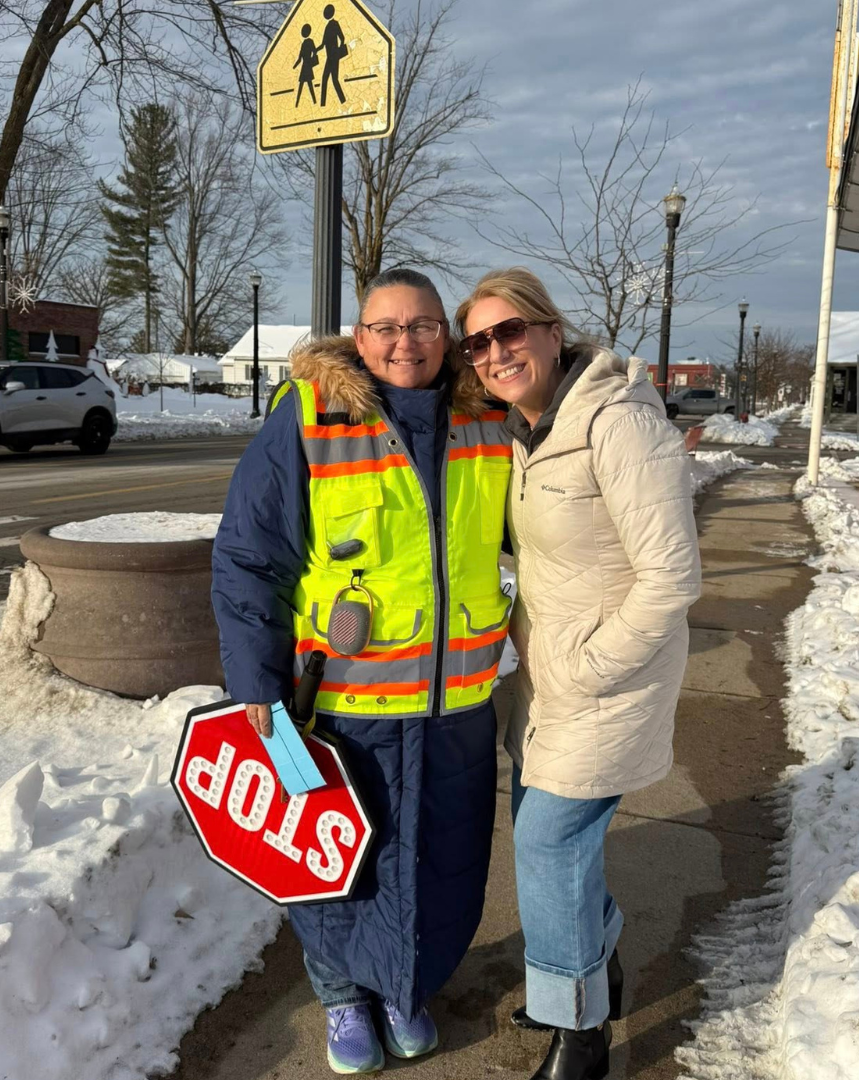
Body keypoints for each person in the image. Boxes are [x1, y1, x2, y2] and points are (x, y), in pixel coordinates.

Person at [212, 268, 513, 1075]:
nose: (403, 343)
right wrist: (257, 693)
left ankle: (405, 987)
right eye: (385, 328)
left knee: (441, 858)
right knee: (342, 861)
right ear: (359, 335)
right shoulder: (310, 417)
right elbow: (248, 561)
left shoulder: (486, 414)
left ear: (444, 335)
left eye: (420, 326)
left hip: (457, 706)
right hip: (345, 709)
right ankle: (343, 994)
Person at [456, 268, 701, 1080]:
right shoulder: (524, 429)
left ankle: (581, 1034)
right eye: (480, 341)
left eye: (511, 330)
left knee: (547, 842)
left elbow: (671, 575)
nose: (497, 350)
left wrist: (594, 667)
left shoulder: (618, 421)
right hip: (545, 682)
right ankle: (594, 960)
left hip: (606, 680)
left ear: (552, 330)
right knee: (546, 833)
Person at [294, 23, 320, 107]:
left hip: (307, 66)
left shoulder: (310, 42)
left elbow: (314, 51)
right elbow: (299, 58)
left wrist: (312, 60)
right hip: (304, 66)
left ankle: (314, 102)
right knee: (302, 85)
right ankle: (297, 103)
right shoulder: (303, 43)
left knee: (309, 85)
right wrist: (294, 67)